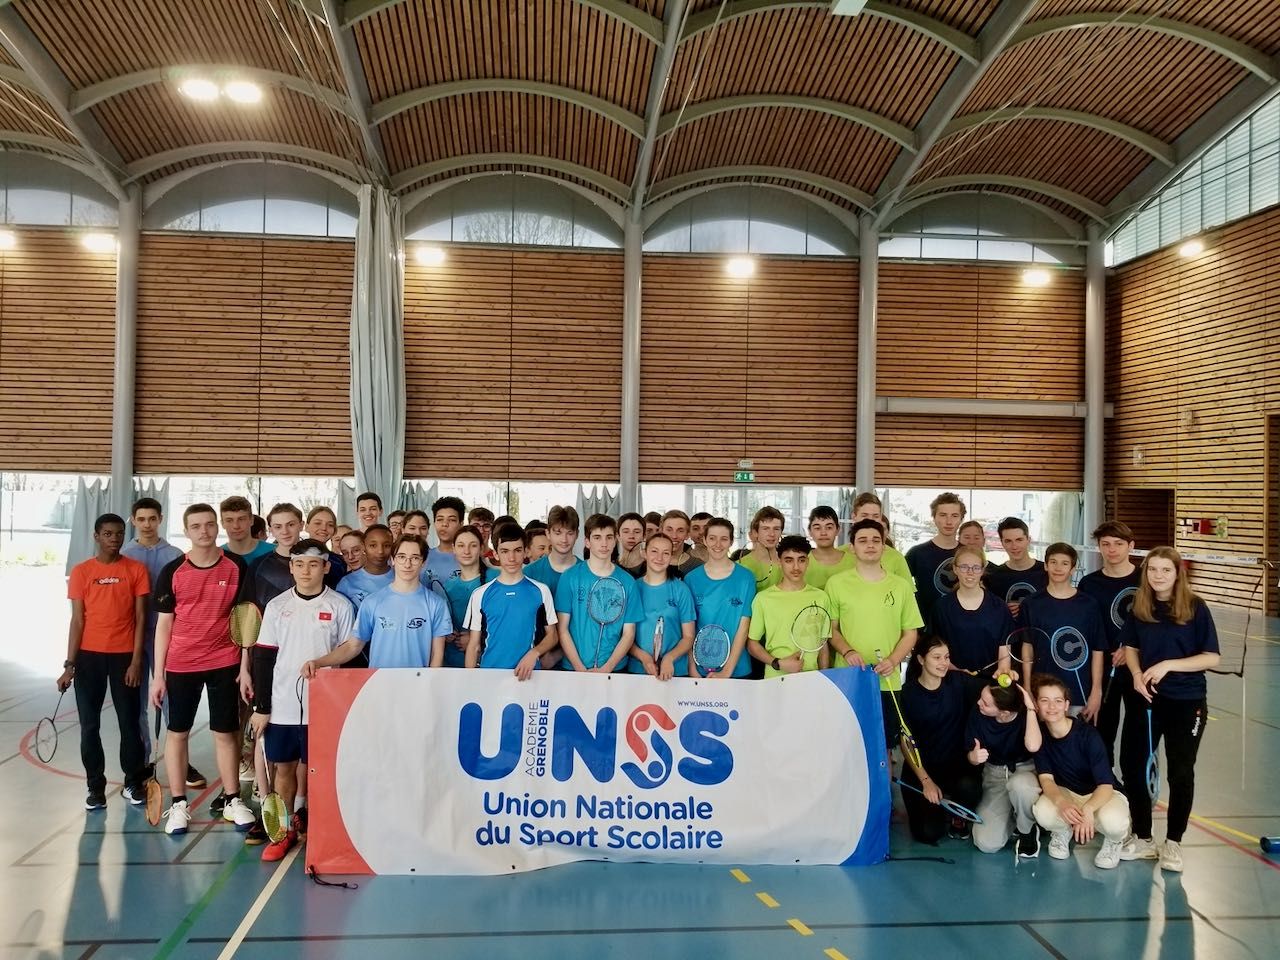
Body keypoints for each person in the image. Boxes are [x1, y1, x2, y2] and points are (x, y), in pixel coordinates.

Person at [150, 504, 257, 835]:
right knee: (178, 732)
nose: (204, 531)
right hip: (182, 664)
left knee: (225, 732)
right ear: (186, 531)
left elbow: (245, 619)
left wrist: (245, 666)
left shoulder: (236, 566)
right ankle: (179, 803)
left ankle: (232, 799)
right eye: (196, 526)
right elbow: (164, 626)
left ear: (217, 527)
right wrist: (158, 675)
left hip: (225, 662)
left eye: (209, 524)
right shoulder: (173, 571)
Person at [246, 540, 354, 861]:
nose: (306, 571)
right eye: (299, 564)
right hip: (283, 705)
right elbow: (264, 658)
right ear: (291, 568)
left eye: (313, 564)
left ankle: (319, 830)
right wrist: (262, 707)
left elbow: (348, 651)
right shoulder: (277, 606)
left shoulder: (340, 605)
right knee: (284, 769)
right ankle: (283, 831)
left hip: (324, 706)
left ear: (326, 567)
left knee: (320, 771)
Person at [1117, 547, 1220, 873]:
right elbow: (1131, 647)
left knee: (1180, 771)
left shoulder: (1195, 607)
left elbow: (1211, 657)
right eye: (1153, 569)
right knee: (1133, 766)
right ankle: (1144, 837)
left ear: (1177, 574)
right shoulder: (1140, 606)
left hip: (1186, 702)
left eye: (1165, 570)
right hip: (1145, 699)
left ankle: (1173, 842)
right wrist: (1136, 674)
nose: (1158, 575)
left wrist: (1168, 664)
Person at [60, 513, 150, 811]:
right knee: (89, 726)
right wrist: (69, 665)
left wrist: (136, 661)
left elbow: (141, 618)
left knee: (129, 724)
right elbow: (77, 620)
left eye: (119, 533)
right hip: (89, 659)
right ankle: (95, 788)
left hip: (124, 658)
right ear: (96, 536)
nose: (114, 538)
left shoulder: (136, 570)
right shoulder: (81, 572)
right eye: (108, 534)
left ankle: (133, 782)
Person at [826, 518, 923, 772]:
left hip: (886, 682)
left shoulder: (900, 586)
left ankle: (883, 798)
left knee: (884, 749)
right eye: (863, 540)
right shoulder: (836, 584)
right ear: (852, 547)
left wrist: (893, 660)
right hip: (849, 680)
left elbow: (910, 633)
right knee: (847, 747)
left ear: (884, 546)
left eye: (875, 540)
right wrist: (847, 651)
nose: (870, 545)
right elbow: (831, 630)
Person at [303, 534, 452, 671]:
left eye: (415, 558)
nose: (407, 564)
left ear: (424, 562)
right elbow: (353, 646)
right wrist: (319, 662)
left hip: (417, 684)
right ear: (392, 560)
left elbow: (437, 656)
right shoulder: (372, 602)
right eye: (401, 557)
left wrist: (427, 686)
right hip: (378, 684)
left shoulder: (436, 604)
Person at [121, 497, 191, 780]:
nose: (147, 524)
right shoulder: (124, 554)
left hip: (168, 638)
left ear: (160, 519)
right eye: (141, 519)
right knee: (137, 704)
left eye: (152, 518)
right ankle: (143, 762)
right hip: (133, 639)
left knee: (172, 701)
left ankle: (180, 761)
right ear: (133, 521)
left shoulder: (175, 555)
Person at [1031, 674, 1130, 868]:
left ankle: (1114, 841)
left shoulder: (1088, 735)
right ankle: (1062, 831)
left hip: (1101, 794)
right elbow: (1047, 780)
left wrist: (1089, 809)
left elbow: (1105, 785)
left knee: (1113, 823)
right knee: (1043, 812)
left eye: (1058, 701)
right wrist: (1061, 804)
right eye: (1045, 700)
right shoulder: (1040, 736)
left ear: (1066, 705)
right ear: (1037, 705)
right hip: (1068, 793)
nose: (1051, 706)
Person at [898, 636, 985, 843]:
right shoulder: (907, 694)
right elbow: (905, 741)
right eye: (937, 657)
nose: (944, 663)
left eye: (946, 657)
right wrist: (926, 781)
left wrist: (1005, 677)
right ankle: (936, 807)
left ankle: (957, 818)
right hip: (922, 771)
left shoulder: (959, 682)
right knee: (928, 833)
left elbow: (992, 691)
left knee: (969, 787)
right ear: (921, 659)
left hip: (956, 767)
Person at [1078, 521, 1143, 773]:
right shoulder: (1089, 583)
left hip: (1139, 668)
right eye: (1105, 544)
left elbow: (1157, 624)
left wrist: (1132, 649)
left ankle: (1135, 784)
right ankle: (1106, 780)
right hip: (1102, 669)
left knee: (1138, 731)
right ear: (1099, 547)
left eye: (1118, 544)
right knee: (1102, 728)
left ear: (1131, 546)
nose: (1112, 549)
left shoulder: (1145, 580)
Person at [1018, 543, 1104, 723]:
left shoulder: (1089, 604)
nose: (1058, 568)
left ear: (1073, 568)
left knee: (1076, 739)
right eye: (1053, 562)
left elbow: (1097, 649)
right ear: (1045, 565)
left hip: (1079, 692)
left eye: (1064, 563)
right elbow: (1027, 647)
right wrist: (1027, 686)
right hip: (1042, 691)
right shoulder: (1031, 603)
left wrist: (1096, 690)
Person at [464, 523, 558, 677]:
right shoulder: (480, 594)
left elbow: (552, 636)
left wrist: (534, 653)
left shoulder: (541, 591)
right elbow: (474, 645)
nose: (512, 558)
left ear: (525, 552)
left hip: (528, 677)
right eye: (505, 551)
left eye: (517, 550)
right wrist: (470, 681)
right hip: (490, 677)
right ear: (495, 554)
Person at [555, 514, 644, 673]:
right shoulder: (569, 577)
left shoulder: (628, 582)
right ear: (587, 542)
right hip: (574, 669)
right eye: (597, 537)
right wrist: (580, 669)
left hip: (614, 670)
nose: (604, 544)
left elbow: (629, 634)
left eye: (609, 537)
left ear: (615, 540)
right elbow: (562, 629)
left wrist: (606, 669)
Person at [967, 679, 1043, 856]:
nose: (979, 703)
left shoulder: (1025, 716)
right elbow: (970, 755)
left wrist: (1030, 708)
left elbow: (1033, 746)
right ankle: (1016, 818)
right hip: (995, 774)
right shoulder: (977, 713)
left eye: (985, 703)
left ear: (1004, 713)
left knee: (1020, 787)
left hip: (1025, 772)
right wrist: (974, 757)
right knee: (986, 843)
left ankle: (1027, 831)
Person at [748, 535, 832, 677]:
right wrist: (778, 663)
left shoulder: (821, 597)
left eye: (801, 560)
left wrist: (823, 678)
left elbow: (823, 645)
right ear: (779, 562)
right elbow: (752, 644)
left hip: (811, 679)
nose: (796, 567)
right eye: (789, 560)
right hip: (775, 680)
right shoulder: (763, 599)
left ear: (808, 562)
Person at [684, 518, 756, 678]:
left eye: (724, 539)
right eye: (712, 538)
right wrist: (692, 667)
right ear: (704, 540)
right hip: (699, 670)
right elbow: (688, 629)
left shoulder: (746, 578)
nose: (718, 544)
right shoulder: (691, 579)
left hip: (737, 669)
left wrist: (727, 671)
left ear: (731, 542)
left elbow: (744, 626)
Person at [932, 544, 1014, 677]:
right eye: (964, 567)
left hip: (989, 680)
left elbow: (1005, 647)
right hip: (951, 679)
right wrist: (956, 671)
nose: (970, 572)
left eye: (976, 568)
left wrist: (1003, 670)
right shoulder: (942, 607)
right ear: (955, 569)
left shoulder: (999, 607)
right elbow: (935, 647)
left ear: (982, 570)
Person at [628, 533, 696, 679]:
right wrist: (644, 658)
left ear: (671, 557)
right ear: (644, 553)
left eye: (666, 553)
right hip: (638, 671)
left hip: (675, 672)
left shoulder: (681, 589)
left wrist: (669, 658)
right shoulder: (633, 588)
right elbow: (626, 635)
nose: (659, 558)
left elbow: (689, 636)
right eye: (654, 551)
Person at [905, 492, 965, 637]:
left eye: (954, 516)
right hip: (926, 630)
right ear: (934, 517)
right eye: (943, 515)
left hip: (962, 626)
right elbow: (901, 589)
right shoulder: (917, 553)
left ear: (961, 519)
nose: (949, 521)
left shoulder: (968, 554)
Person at [334, 524, 393, 668]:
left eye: (356, 550)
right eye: (345, 553)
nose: (351, 557)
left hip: (395, 652)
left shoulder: (402, 577)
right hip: (359, 656)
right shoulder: (346, 583)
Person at [442, 524, 495, 667]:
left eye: (473, 545)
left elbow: (508, 623)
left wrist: (477, 640)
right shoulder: (449, 586)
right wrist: (447, 633)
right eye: (461, 546)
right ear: (453, 548)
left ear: (481, 548)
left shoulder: (496, 579)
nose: (466, 551)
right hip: (453, 663)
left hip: (489, 663)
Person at [984, 517, 1047, 618]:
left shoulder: (1046, 572)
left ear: (1028, 540)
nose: (1014, 546)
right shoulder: (994, 577)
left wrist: (1026, 608)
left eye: (1019, 540)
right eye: (1008, 541)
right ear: (1002, 543)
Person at [850, 493, 913, 583]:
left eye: (875, 516)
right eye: (864, 515)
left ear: (881, 517)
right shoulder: (841, 555)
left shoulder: (896, 558)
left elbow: (907, 590)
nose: (870, 520)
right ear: (854, 517)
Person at [526, 505, 581, 597]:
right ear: (548, 533)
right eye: (558, 533)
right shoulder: (530, 573)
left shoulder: (586, 572)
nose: (564, 539)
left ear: (577, 534)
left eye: (570, 533)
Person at [804, 505, 853, 590]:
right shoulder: (802, 562)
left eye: (829, 527)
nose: (823, 533)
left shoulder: (853, 562)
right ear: (810, 531)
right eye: (817, 528)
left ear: (838, 529)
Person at [738, 506, 784, 590]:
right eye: (765, 529)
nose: (772, 534)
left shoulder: (788, 564)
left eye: (776, 529)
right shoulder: (741, 566)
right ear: (755, 532)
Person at [220, 495, 273, 565]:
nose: (236, 526)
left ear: (251, 520)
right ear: (222, 523)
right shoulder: (216, 557)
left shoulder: (274, 552)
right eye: (229, 520)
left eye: (241, 519)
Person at [305, 506, 347, 583]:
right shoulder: (295, 556)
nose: (324, 528)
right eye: (318, 523)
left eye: (330, 525)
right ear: (307, 527)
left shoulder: (339, 561)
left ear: (334, 531)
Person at [431, 495, 467, 581]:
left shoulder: (468, 557)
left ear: (461, 524)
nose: (445, 524)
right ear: (434, 523)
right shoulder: (424, 556)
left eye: (451, 520)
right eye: (440, 519)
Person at [661, 510, 704, 577]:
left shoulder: (697, 566)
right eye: (669, 530)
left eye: (680, 531)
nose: (674, 536)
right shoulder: (649, 562)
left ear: (687, 535)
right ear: (661, 532)